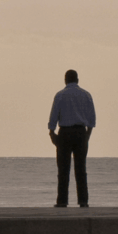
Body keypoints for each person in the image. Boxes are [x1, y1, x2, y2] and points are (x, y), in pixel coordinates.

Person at [48, 69, 96, 208]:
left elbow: (54, 115)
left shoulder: (60, 95)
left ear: (65, 80)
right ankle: (83, 200)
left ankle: (62, 201)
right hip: (81, 132)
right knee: (81, 168)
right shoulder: (86, 95)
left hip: (65, 132)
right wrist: (87, 134)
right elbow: (91, 118)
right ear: (78, 80)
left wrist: (52, 132)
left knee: (63, 169)